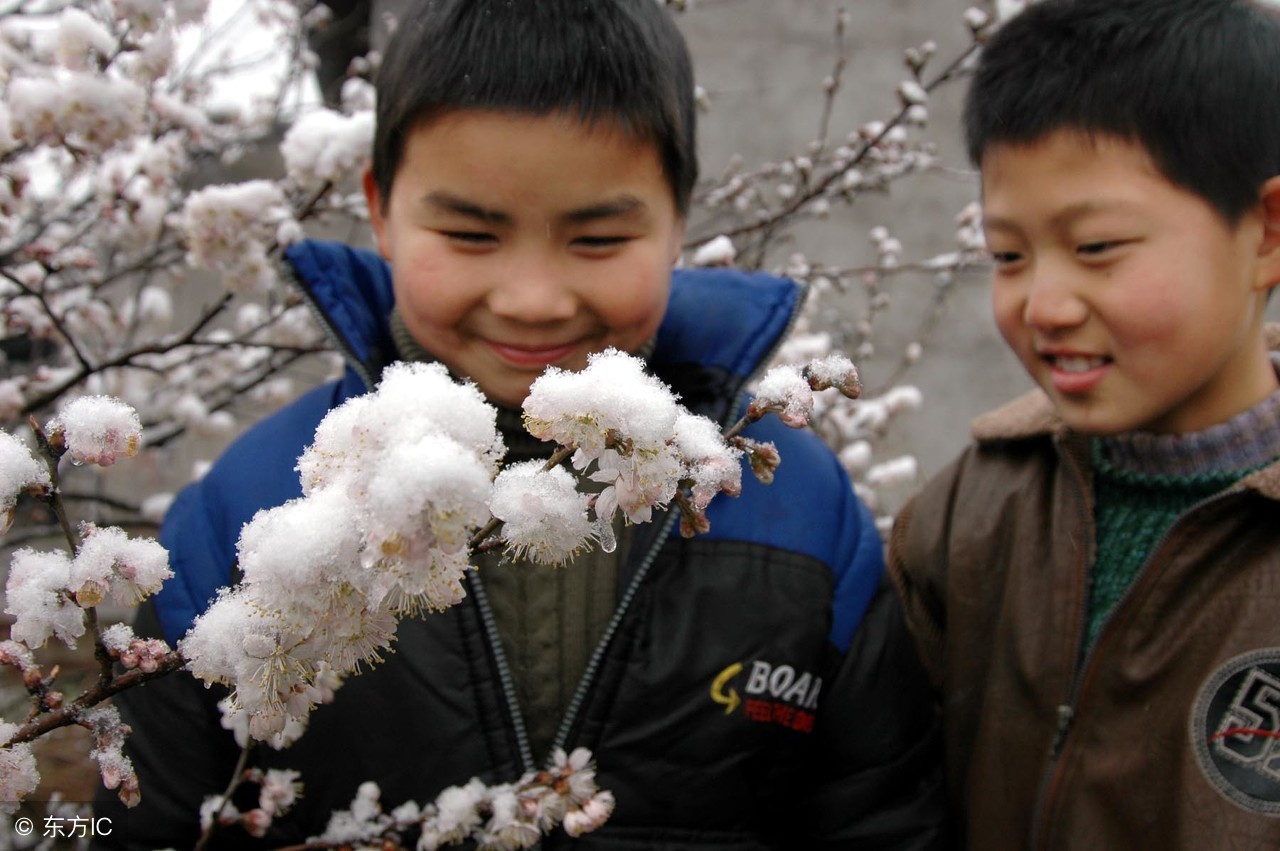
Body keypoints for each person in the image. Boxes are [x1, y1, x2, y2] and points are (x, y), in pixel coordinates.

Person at [93, 0, 949, 847]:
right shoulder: (244, 514)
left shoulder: (798, 506)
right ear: (380, 209)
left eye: (598, 239)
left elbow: (881, 814)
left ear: (678, 219)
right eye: (469, 233)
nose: (533, 300)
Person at [887, 0, 1280, 847]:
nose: (1044, 304)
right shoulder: (968, 515)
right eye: (1007, 255)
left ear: (1267, 232)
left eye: (1097, 246)